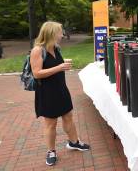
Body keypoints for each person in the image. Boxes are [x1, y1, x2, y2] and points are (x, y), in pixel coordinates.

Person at [30, 21, 90, 166]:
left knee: (68, 116)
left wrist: (62, 67)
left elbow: (56, 68)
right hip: (47, 92)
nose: (62, 35)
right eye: (59, 32)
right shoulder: (38, 50)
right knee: (51, 123)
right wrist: (59, 67)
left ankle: (74, 142)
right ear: (51, 33)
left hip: (61, 89)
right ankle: (51, 151)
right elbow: (37, 73)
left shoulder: (56, 48)